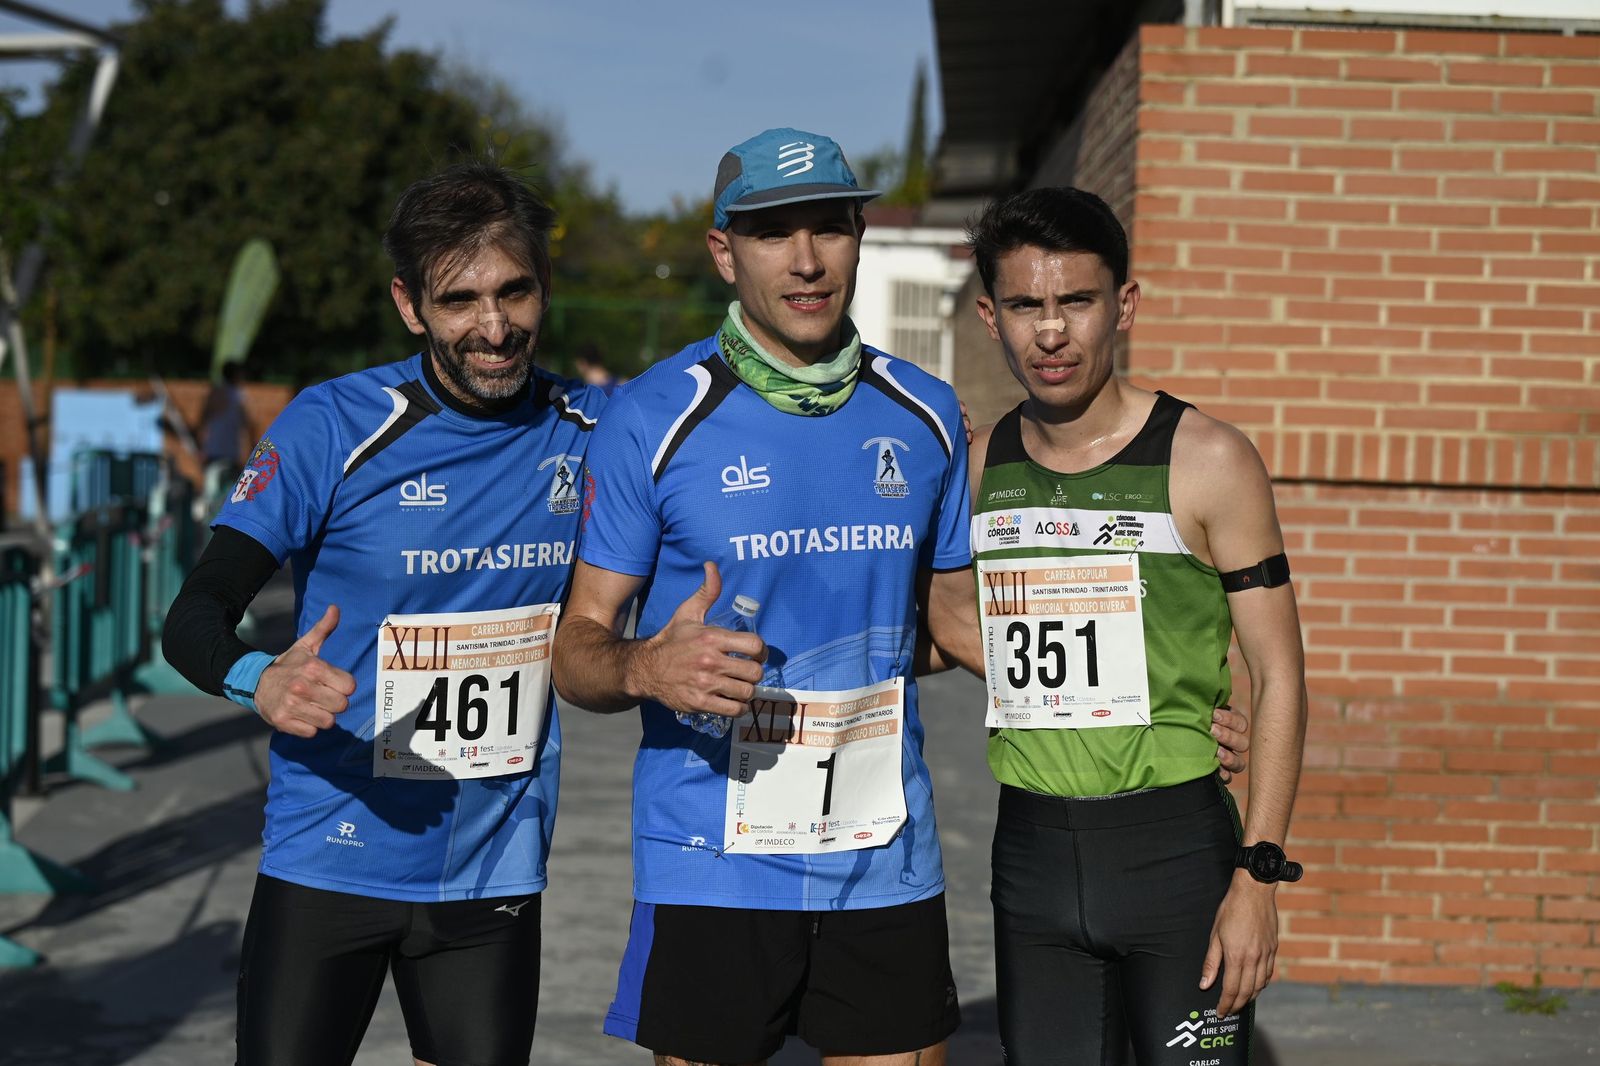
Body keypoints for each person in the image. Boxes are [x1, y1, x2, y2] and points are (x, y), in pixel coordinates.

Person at [161, 161, 606, 1066]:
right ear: (410, 306)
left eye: (516, 291)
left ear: (543, 287)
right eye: (460, 300)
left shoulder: (594, 427)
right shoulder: (333, 423)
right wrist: (259, 677)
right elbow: (194, 613)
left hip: (493, 863)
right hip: (330, 851)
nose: (494, 327)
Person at [551, 128, 979, 1066]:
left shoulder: (928, 413)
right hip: (712, 864)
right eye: (773, 233)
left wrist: (1161, 682)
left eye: (830, 227)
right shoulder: (652, 418)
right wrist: (644, 665)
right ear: (722, 252)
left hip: (882, 858)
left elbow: (956, 627)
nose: (807, 259)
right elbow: (575, 651)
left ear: (860, 238)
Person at [954, 186, 1307, 1065]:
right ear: (991, 317)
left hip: (1176, 856)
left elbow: (1281, 672)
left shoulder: (1210, 458)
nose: (1052, 332)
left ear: (1124, 305)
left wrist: (1259, 874)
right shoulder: (973, 468)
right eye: (1027, 306)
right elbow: (946, 620)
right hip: (1031, 856)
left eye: (1076, 301)